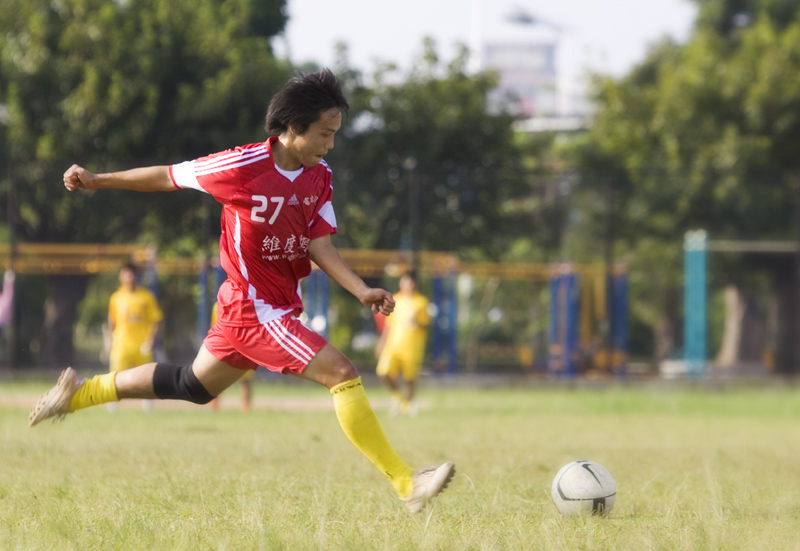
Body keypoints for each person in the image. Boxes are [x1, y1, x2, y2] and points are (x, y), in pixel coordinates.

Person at [28, 69, 454, 514]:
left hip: (265, 308)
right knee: (341, 372)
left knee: (193, 385)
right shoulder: (240, 167)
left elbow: (319, 244)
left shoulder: (320, 176)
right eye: (325, 134)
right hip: (255, 308)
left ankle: (82, 392)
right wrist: (98, 180)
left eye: (334, 135)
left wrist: (361, 290)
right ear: (294, 127)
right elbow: (168, 176)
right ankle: (407, 482)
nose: (330, 145)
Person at [106, 263, 163, 412]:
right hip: (121, 343)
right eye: (125, 273)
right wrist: (109, 341)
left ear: (136, 276)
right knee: (115, 375)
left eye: (131, 273)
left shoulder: (146, 296)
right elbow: (112, 322)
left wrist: (151, 339)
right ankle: (112, 405)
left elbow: (155, 319)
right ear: (120, 276)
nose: (129, 277)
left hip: (141, 344)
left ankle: (148, 407)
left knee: (146, 376)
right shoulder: (116, 298)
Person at [375, 271, 430, 417]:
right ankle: (398, 397)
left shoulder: (421, 302)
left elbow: (427, 325)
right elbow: (388, 325)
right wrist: (381, 343)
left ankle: (409, 404)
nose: (408, 285)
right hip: (393, 346)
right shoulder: (395, 300)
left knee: (410, 378)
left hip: (412, 346)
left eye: (411, 282)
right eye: (405, 281)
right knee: (383, 372)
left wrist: (417, 321)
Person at [207, 301, 254, 412]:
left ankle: (246, 407)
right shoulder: (218, 306)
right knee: (216, 377)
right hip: (225, 346)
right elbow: (215, 327)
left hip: (242, 346)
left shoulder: (246, 304)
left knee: (244, 379)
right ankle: (214, 405)